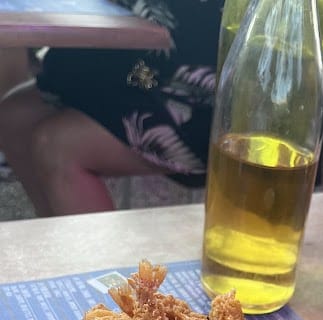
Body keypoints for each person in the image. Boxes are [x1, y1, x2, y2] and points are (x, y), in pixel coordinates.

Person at [0, 0, 223, 217]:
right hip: (122, 69)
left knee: (57, 144)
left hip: (197, 95)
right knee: (14, 116)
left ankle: (101, 255)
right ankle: (62, 243)